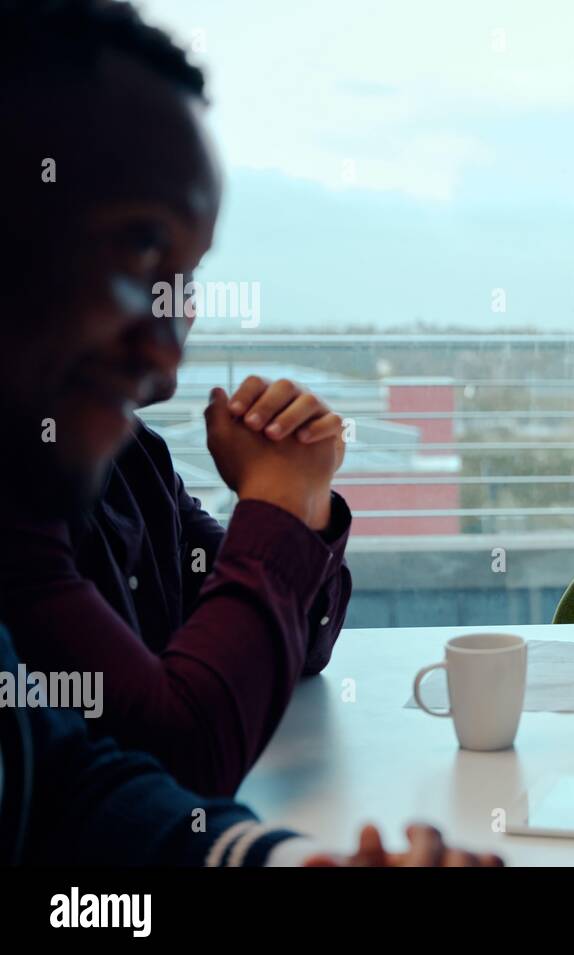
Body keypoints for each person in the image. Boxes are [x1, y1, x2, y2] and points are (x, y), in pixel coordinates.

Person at [0, 0, 353, 796]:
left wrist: (303, 506)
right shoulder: (16, 514)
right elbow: (177, 755)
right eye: (142, 245)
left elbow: (299, 646)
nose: (169, 344)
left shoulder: (132, 459)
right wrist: (276, 504)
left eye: (185, 278)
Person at [1, 623, 501, 866]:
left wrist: (288, 862)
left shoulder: (145, 464)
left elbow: (65, 791)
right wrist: (280, 497)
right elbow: (187, 757)